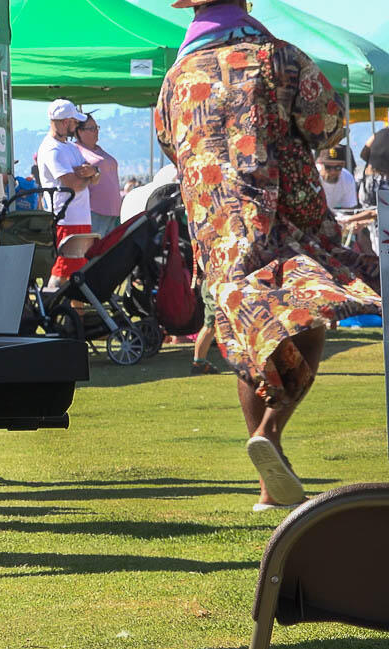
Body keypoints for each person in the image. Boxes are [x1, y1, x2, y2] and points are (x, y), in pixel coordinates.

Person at [156, 0, 380, 511]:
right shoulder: (276, 56)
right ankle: (270, 430)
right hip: (282, 216)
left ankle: (269, 479)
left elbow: (172, 145)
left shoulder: (174, 78)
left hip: (217, 233)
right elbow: (327, 123)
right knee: (317, 309)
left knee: (251, 334)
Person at [37, 99, 100, 289]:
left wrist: (92, 174)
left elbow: (92, 177)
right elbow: (73, 184)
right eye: (74, 122)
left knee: (75, 273)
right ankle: (51, 312)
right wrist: (91, 175)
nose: (76, 126)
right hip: (65, 219)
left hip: (77, 218)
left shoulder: (70, 147)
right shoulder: (51, 149)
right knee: (61, 272)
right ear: (65, 122)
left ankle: (73, 315)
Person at [73, 113, 123, 238]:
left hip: (113, 211)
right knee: (95, 251)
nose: (96, 131)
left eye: (97, 128)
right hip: (94, 211)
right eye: (91, 128)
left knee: (111, 251)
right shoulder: (75, 150)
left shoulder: (98, 149)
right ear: (79, 131)